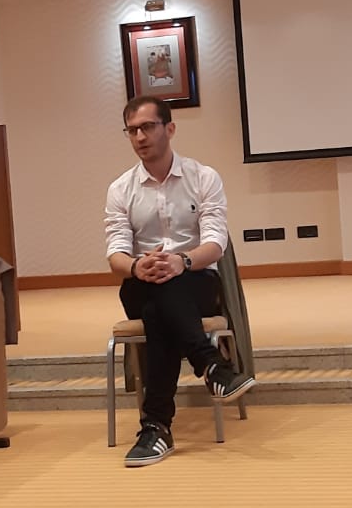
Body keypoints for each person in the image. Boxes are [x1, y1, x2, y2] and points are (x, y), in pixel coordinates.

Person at [105, 94, 254, 467]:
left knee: (160, 309)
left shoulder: (203, 178)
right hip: (140, 282)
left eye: (147, 127)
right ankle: (212, 365)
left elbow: (215, 243)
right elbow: (116, 253)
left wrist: (182, 261)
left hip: (195, 279)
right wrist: (137, 266)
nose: (140, 137)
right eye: (132, 130)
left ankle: (155, 428)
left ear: (169, 129)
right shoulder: (120, 189)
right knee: (157, 289)